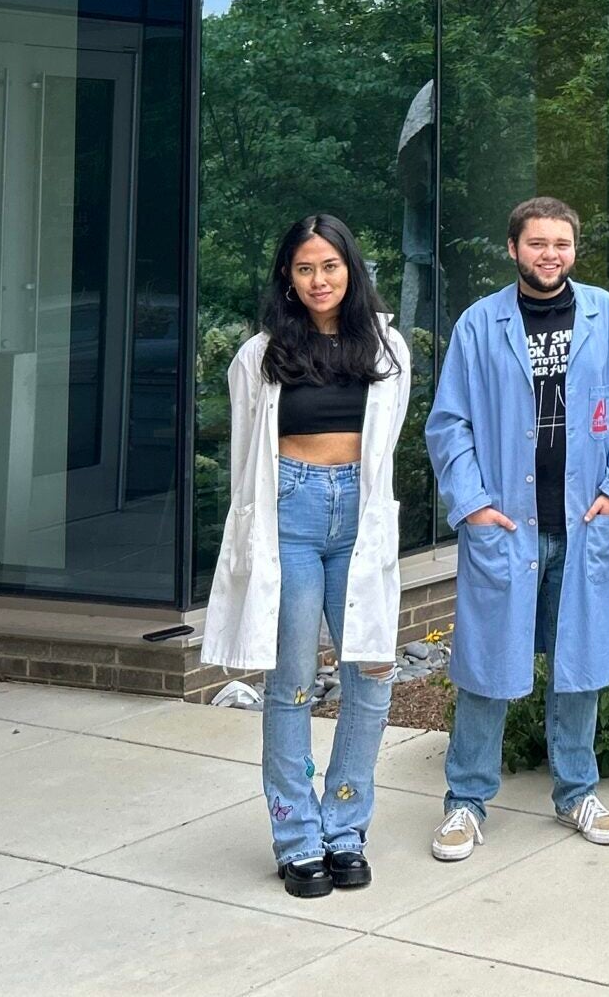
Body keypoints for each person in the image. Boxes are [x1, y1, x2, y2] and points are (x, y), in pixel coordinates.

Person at [424, 196, 609, 860]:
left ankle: (577, 790)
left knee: (577, 666)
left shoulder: (604, 315)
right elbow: (449, 422)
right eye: (538, 242)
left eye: (562, 243)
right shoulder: (479, 324)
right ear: (513, 248)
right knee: (486, 668)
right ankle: (465, 802)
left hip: (582, 522)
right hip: (506, 527)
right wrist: (471, 505)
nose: (551, 253)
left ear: (574, 249)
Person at [203, 214, 412, 899]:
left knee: (370, 671)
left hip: (360, 519)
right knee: (292, 679)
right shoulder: (260, 356)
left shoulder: (389, 348)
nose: (319, 279)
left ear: (350, 269)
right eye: (304, 268)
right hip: (288, 516)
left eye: (330, 265)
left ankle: (345, 826)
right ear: (287, 279)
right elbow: (244, 467)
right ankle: (297, 835)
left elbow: (385, 454)